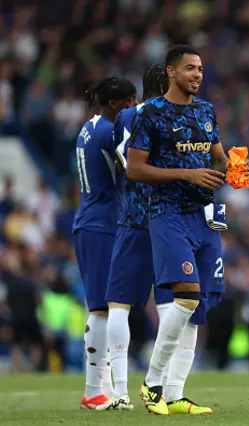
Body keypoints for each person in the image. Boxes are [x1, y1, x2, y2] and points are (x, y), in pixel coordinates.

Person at [128, 45, 249, 415]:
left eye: (200, 68)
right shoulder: (150, 114)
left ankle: (177, 394)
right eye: (189, 69)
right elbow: (135, 169)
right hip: (168, 214)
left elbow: (218, 156)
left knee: (198, 308)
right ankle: (152, 383)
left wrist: (236, 168)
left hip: (206, 215)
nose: (197, 74)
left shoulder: (206, 111)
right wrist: (187, 173)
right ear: (171, 72)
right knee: (186, 297)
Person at [72, 76, 137, 409]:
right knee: (101, 307)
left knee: (104, 305)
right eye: (130, 101)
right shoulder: (107, 132)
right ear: (116, 104)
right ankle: (93, 389)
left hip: (94, 220)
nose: (133, 107)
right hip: (101, 224)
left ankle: (103, 386)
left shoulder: (90, 126)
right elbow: (132, 169)